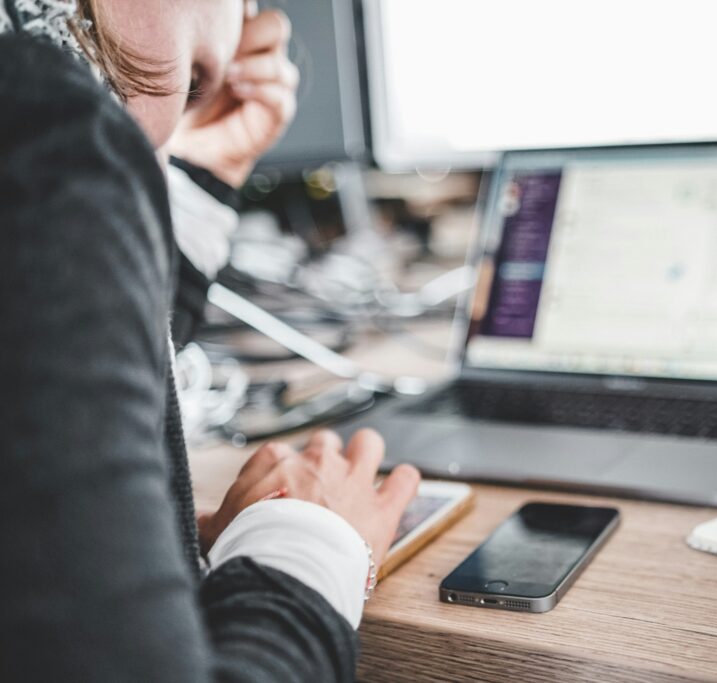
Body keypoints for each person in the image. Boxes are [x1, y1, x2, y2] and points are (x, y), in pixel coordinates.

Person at [0, 1, 420, 681]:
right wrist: (307, 541)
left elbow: (38, 341)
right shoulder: (35, 126)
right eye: (194, 83)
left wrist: (200, 178)